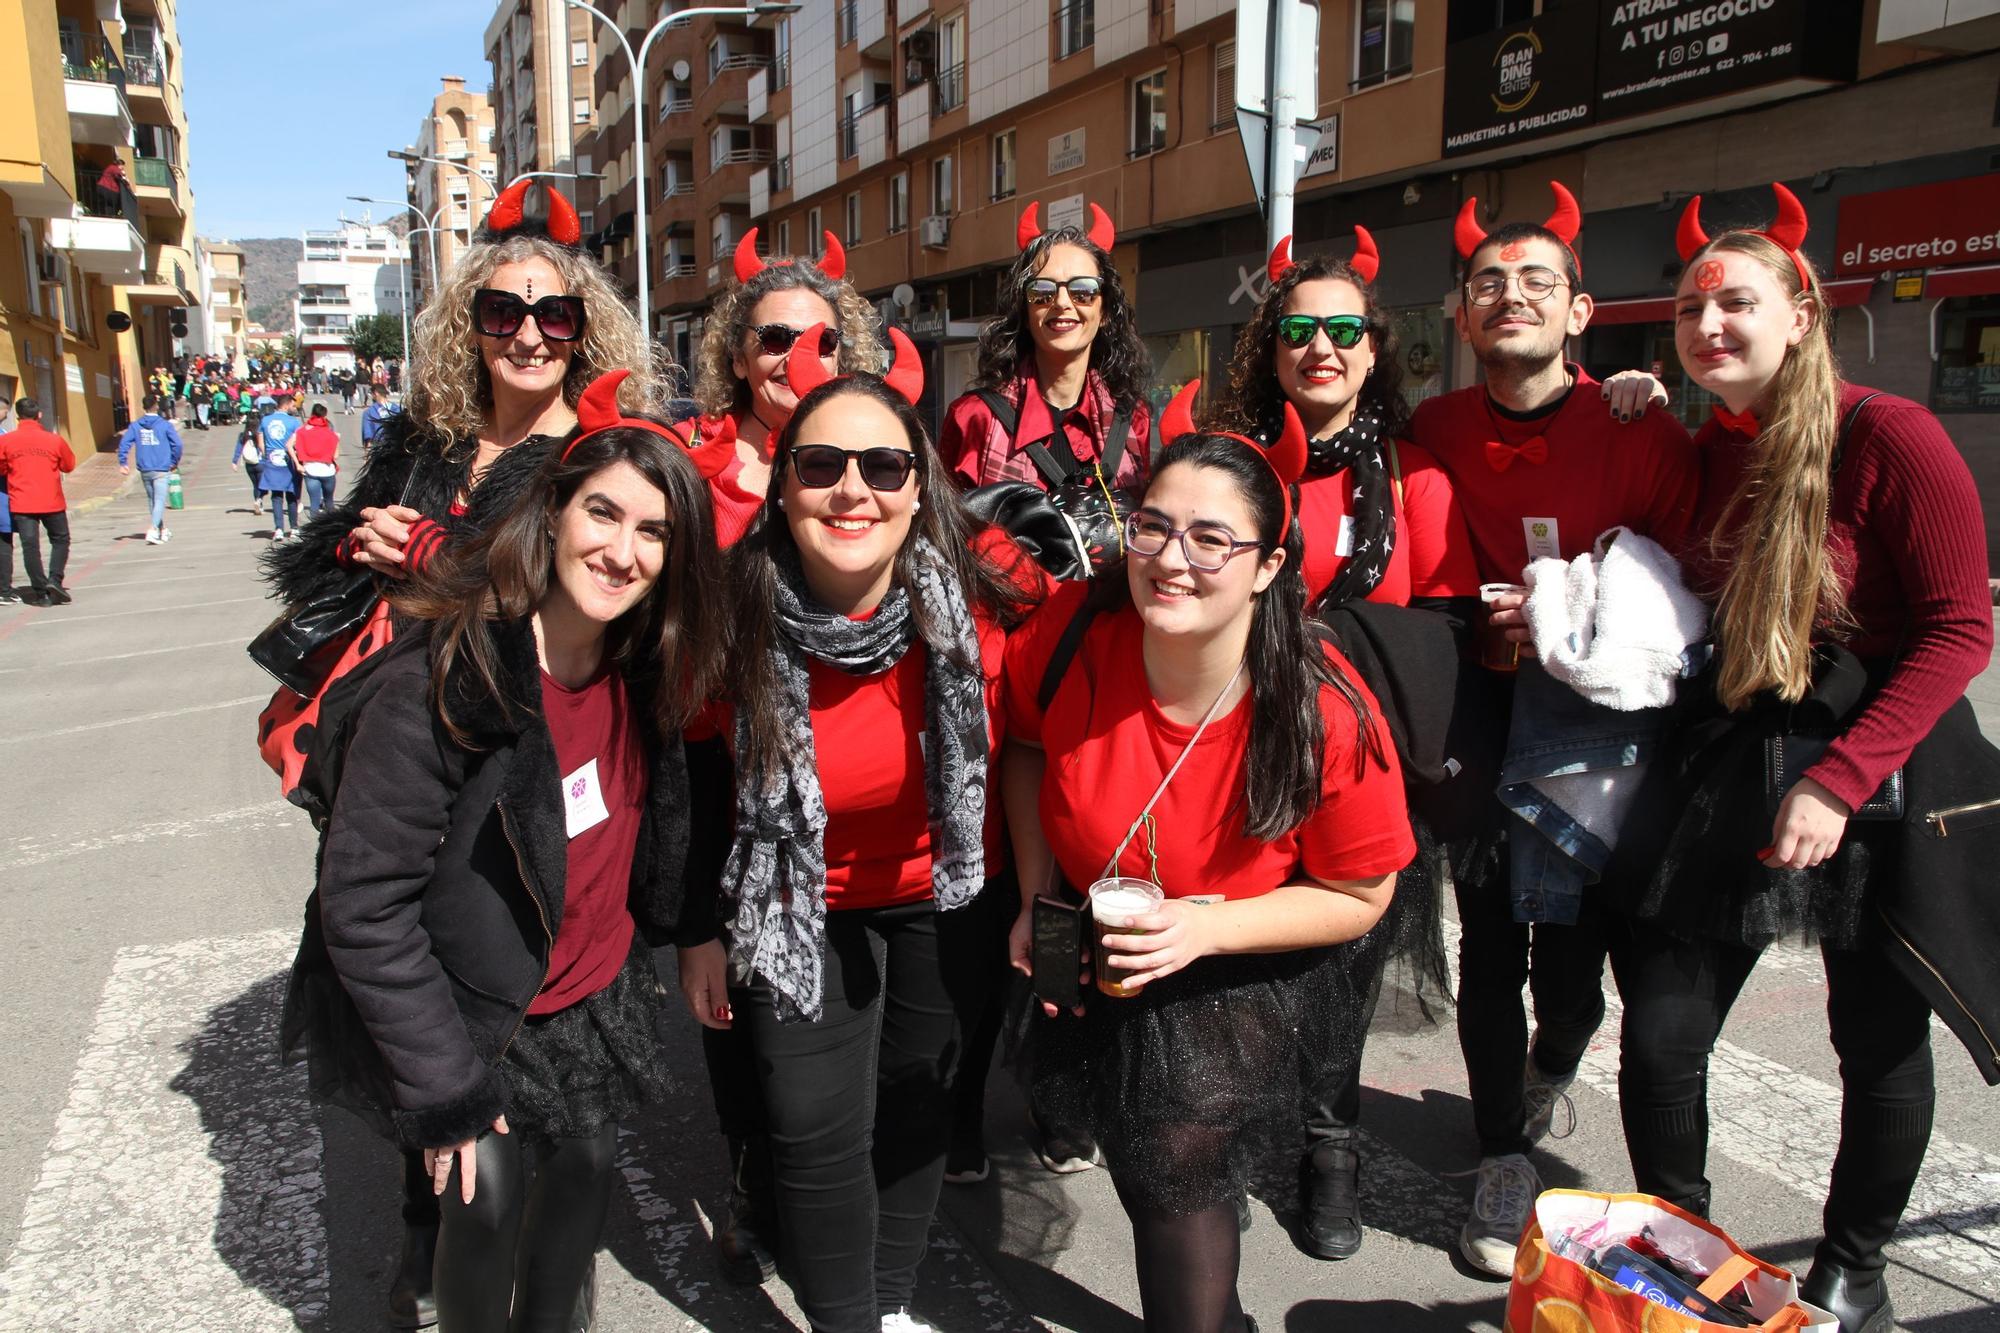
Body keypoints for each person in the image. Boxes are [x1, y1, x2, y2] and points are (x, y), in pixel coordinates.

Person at [264, 176, 661, 1331]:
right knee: (410, 1000)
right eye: (503, 313)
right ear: (467, 328)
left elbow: (581, 596)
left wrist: (435, 555)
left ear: (585, 332)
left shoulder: (599, 452)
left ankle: (514, 1265)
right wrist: (356, 539)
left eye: (554, 318)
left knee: (507, 994)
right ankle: (431, 1230)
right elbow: (330, 573)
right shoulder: (425, 439)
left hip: (516, 773)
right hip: (396, 748)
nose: (530, 335)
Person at [1605, 187, 1994, 1333]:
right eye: (1686, 310)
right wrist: (1621, 401)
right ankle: (1683, 1253)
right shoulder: (1698, 446)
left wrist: (1842, 777)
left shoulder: (1888, 434)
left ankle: (1854, 1266)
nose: (1706, 324)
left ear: (1802, 313)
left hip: (1876, 763)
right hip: (1729, 753)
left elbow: (1957, 627)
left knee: (1874, 1035)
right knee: (1663, 1035)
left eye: (1733, 301)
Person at [283, 384, 725, 1333]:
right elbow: (362, 903)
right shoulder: (445, 677)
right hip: (474, 1009)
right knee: (481, 1209)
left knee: (584, 1187)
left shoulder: (646, 666)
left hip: (586, 996)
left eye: (654, 531)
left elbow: (669, 826)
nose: (621, 550)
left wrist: (693, 934)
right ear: (553, 511)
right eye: (602, 512)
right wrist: (443, 1081)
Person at [1002, 408, 1412, 1333]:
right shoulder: (1074, 629)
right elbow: (1024, 745)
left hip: (1234, 965)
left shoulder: (1322, 710)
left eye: (1211, 538)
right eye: (1153, 525)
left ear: (1270, 566)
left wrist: (1206, 926)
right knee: (1133, 1146)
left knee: (1173, 1168)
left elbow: (1362, 892)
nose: (1170, 558)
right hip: (1094, 935)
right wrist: (1037, 889)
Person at [673, 332, 1036, 1333]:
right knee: (810, 1127)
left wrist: (1038, 899)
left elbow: (1032, 749)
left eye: (882, 466)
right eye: (819, 465)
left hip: (945, 897)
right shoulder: (727, 613)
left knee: (917, 1115)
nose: (851, 491)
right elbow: (695, 782)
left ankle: (881, 1304)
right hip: (797, 904)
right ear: (782, 488)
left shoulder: (988, 599)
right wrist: (694, 928)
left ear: (920, 489)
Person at [1409, 181, 1699, 1277]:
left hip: (1598, 730)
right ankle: (1498, 1151)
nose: (1510, 296)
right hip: (1484, 712)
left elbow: (1689, 594)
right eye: (1489, 282)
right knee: (1488, 942)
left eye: (1537, 281)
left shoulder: (1637, 425)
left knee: (1572, 957)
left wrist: (1588, 619)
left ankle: (1551, 1060)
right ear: (1459, 313)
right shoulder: (1434, 426)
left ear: (1579, 311)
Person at [1209, 231, 1480, 1261]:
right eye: (1297, 331)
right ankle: (1222, 1147)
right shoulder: (1228, 467)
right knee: (1232, 981)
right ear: (1270, 351)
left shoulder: (1418, 480)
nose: (1318, 348)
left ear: (1374, 350)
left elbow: (1445, 637)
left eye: (1341, 332)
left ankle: (1328, 1148)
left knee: (1340, 980)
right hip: (1233, 765)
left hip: (1363, 777)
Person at [940, 202, 1152, 494]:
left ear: (1104, 312)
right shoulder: (974, 418)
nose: (1063, 303)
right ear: (1025, 313)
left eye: (1083, 291)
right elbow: (946, 530)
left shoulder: (1132, 418)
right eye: (1042, 292)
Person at [690, 229, 885, 545]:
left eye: (822, 341)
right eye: (776, 339)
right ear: (739, 360)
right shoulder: (687, 450)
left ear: (840, 359)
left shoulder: (881, 452)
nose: (798, 358)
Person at [0, 398, 77, 606]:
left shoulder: (6, 441)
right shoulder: (54, 440)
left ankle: (40, 592)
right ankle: (55, 579)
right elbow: (69, 465)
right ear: (39, 415)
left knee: (30, 546)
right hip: (51, 501)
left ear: (18, 417)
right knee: (60, 539)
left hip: (22, 502)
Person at [117, 393, 186, 545]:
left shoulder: (135, 425)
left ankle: (162, 530)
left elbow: (124, 444)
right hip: (161, 467)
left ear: (143, 407)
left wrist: (123, 462)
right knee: (160, 500)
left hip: (145, 468)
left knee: (152, 500)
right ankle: (153, 529)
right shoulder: (165, 424)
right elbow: (178, 445)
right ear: (156, 406)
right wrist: (174, 461)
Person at [244, 394, 303, 540]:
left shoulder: (265, 420)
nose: (293, 408)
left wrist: (266, 455)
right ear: (287, 404)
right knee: (291, 495)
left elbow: (260, 441)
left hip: (272, 461)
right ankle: (294, 527)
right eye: (292, 405)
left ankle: (279, 529)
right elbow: (298, 442)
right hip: (288, 461)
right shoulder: (294, 422)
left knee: (276, 497)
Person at [294, 403, 340, 519]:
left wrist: (297, 463)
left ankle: (314, 529)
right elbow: (335, 455)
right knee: (329, 502)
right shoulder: (330, 433)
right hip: (327, 470)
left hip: (311, 469)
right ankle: (332, 528)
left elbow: (291, 445)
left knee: (314, 503)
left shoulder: (303, 431)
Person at [359, 383, 399, 451]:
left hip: (378, 448)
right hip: (396, 448)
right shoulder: (397, 410)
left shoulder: (368, 412)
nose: (372, 396)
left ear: (376, 393)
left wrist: (367, 453)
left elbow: (368, 434)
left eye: (372, 394)